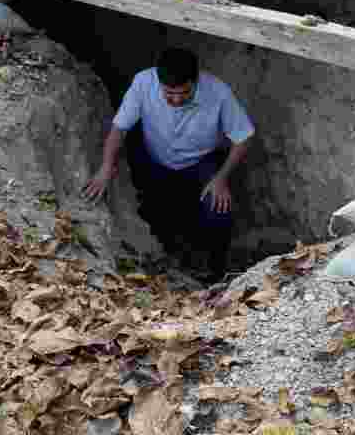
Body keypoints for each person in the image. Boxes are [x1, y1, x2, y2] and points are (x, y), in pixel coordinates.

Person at [83, 47, 255, 280]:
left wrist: (221, 178)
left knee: (218, 210)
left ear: (196, 81)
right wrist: (106, 167)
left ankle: (216, 270)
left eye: (183, 93)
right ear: (158, 81)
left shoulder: (218, 93)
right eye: (169, 94)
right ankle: (167, 257)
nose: (175, 100)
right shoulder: (144, 83)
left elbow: (243, 137)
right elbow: (119, 128)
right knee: (155, 211)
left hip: (200, 161)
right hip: (154, 158)